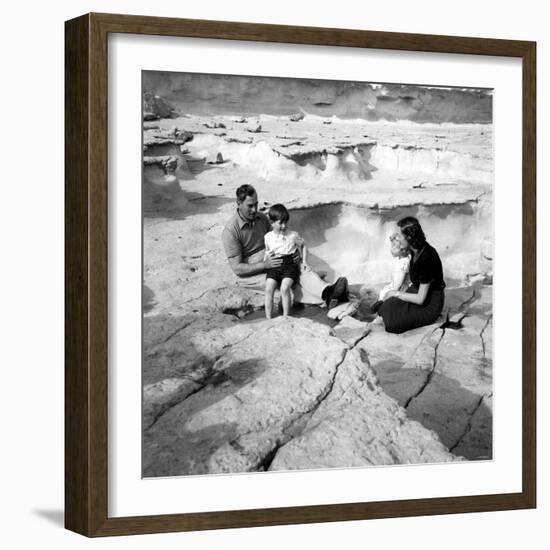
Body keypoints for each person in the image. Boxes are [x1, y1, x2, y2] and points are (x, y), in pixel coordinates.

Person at [221, 184, 348, 308]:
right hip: (252, 272)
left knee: (296, 268)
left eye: (256, 204)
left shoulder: (261, 218)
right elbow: (237, 268)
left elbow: (277, 236)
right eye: (250, 206)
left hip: (272, 258)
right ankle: (325, 297)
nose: (254, 209)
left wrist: (293, 247)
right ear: (238, 203)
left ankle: (327, 291)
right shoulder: (231, 231)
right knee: (284, 288)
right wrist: (264, 265)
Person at [377, 217, 445, 333]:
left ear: (409, 238)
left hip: (429, 303)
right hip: (416, 290)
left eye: (400, 236)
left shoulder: (427, 258)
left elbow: (420, 299)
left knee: (392, 324)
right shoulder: (415, 249)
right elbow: (397, 250)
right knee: (385, 307)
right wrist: (393, 239)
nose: (397, 239)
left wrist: (396, 293)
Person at [263, 204, 306, 318]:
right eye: (280, 223)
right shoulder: (268, 237)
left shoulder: (293, 235)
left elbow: (303, 245)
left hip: (289, 265)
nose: (284, 226)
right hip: (274, 265)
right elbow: (267, 251)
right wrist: (266, 260)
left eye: (285, 222)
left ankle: (286, 317)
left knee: (284, 288)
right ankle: (268, 318)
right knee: (268, 289)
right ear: (272, 223)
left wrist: (302, 259)